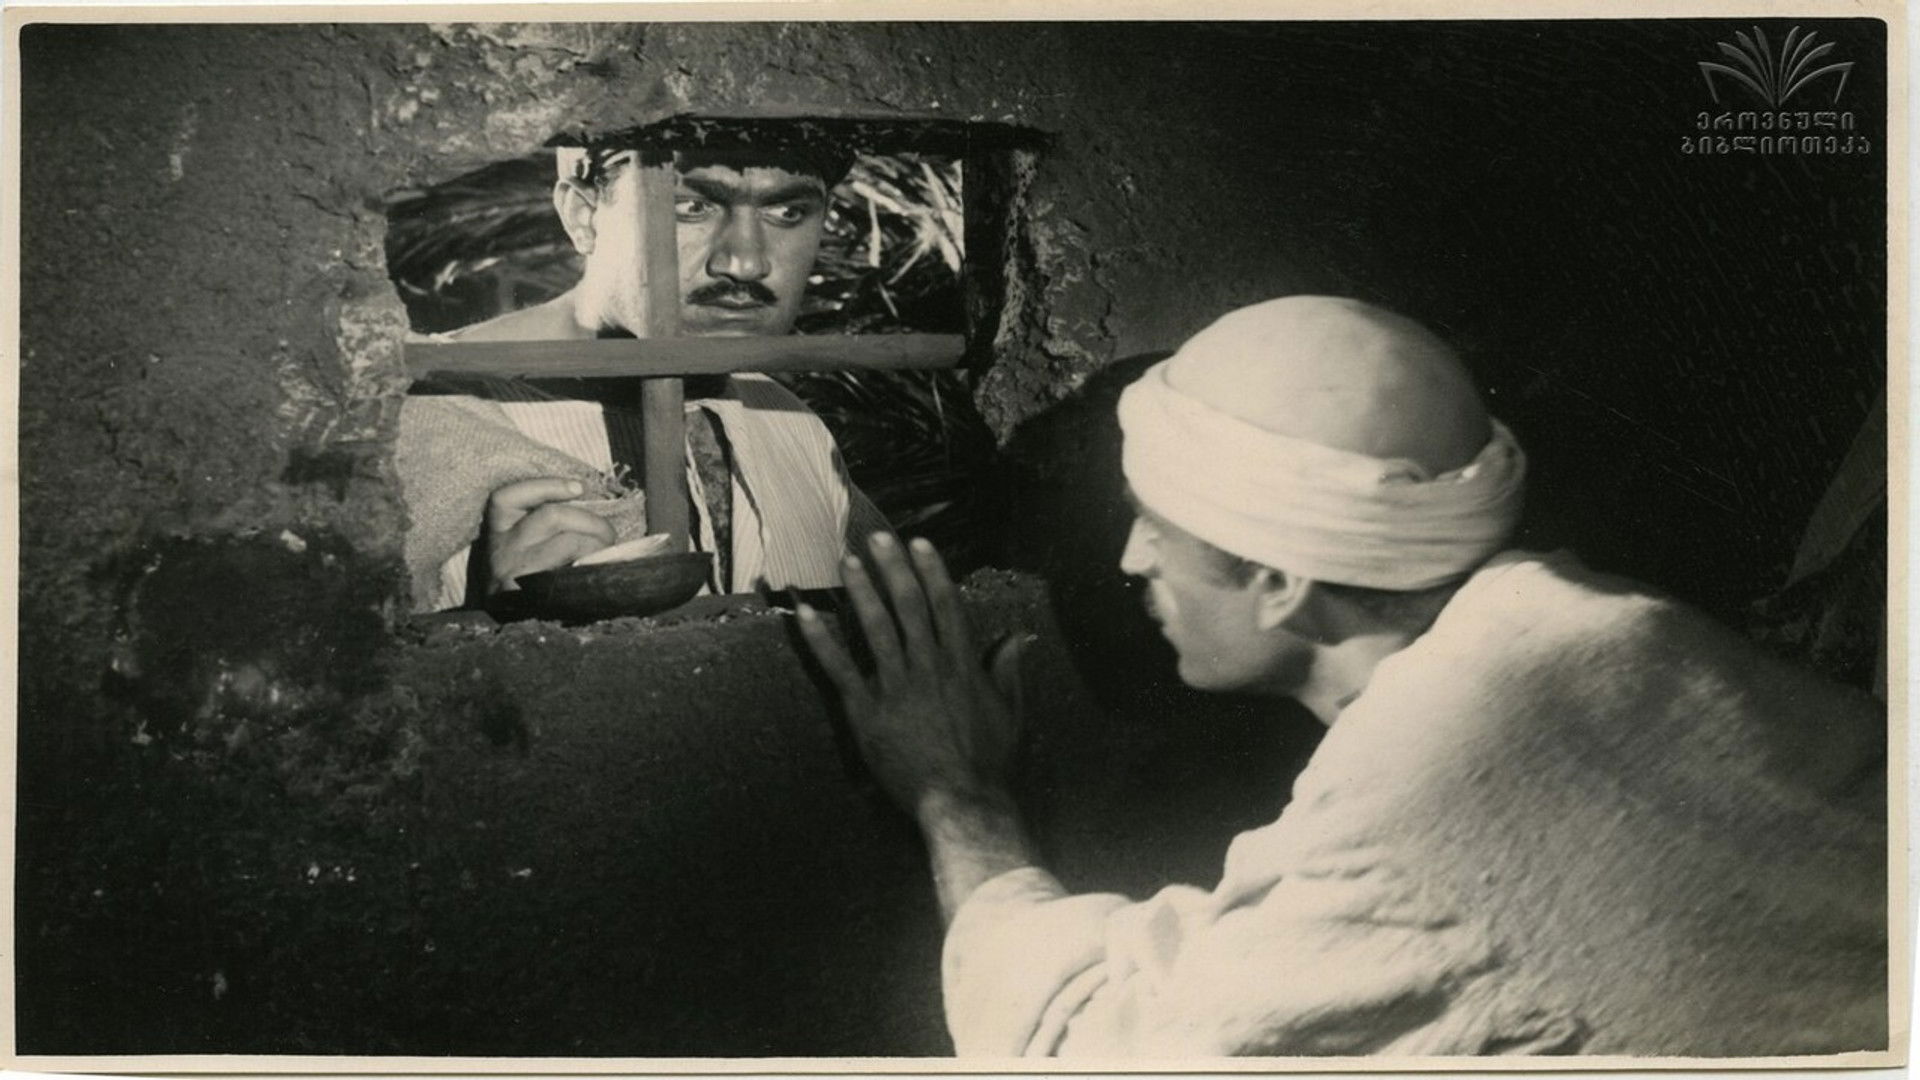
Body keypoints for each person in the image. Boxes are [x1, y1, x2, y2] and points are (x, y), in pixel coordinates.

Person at [797, 296, 1887, 1057]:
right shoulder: (1626, 632)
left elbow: (1091, 1048)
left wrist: (960, 800)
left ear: (1277, 579)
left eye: (1158, 525)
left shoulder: (1421, 835)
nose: (1129, 560)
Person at [397, 142, 889, 612]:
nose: (745, 263)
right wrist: (487, 624)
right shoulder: (418, 422)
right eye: (692, 206)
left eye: (787, 212)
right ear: (583, 215)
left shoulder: (785, 416)